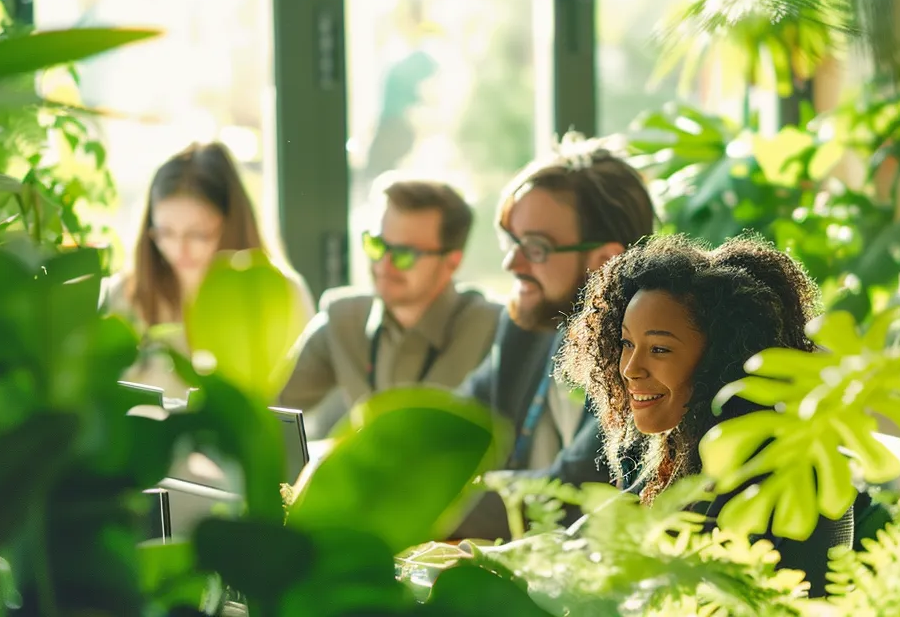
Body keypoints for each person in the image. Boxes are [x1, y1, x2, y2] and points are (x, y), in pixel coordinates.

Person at [557, 235, 852, 595]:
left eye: (660, 349)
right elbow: (583, 541)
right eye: (626, 343)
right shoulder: (684, 450)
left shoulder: (765, 468)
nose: (631, 369)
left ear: (723, 359)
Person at [449, 134, 658, 539]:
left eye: (537, 247)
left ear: (606, 261)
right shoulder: (530, 325)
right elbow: (449, 428)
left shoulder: (651, 357)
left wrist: (404, 505)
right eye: (511, 241)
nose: (512, 262)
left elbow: (571, 493)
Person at [276, 178, 501, 437]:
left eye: (405, 253)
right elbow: (273, 401)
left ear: (452, 262)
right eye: (377, 245)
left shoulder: (493, 328)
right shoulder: (342, 319)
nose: (384, 264)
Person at [102, 142, 315, 398]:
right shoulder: (124, 296)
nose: (179, 249)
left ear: (231, 225)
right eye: (165, 232)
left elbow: (301, 405)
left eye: (198, 234)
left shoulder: (284, 293)